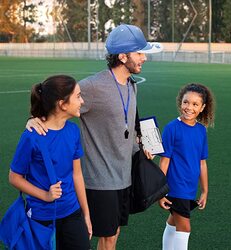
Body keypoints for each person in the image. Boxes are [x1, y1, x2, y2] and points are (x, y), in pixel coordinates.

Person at [26, 24, 163, 250]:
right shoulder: (93, 86)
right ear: (122, 56)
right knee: (100, 235)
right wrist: (35, 118)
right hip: (100, 179)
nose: (144, 58)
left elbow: (126, 126)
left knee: (113, 233)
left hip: (124, 176)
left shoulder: (131, 85)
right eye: (140, 53)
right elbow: (57, 102)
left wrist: (140, 146)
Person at [10, 75, 92, 250]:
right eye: (78, 96)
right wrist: (45, 195)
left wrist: (86, 214)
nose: (82, 101)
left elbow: (77, 174)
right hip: (42, 217)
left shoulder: (73, 130)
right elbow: (15, 177)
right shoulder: (31, 136)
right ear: (62, 104)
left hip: (72, 212)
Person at [159, 83, 215, 250]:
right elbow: (164, 161)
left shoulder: (201, 130)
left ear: (202, 107)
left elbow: (202, 162)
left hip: (190, 189)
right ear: (180, 102)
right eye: (186, 102)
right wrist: (159, 191)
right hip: (175, 187)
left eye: (195, 104)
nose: (189, 107)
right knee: (184, 228)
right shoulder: (172, 128)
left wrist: (205, 190)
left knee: (173, 222)